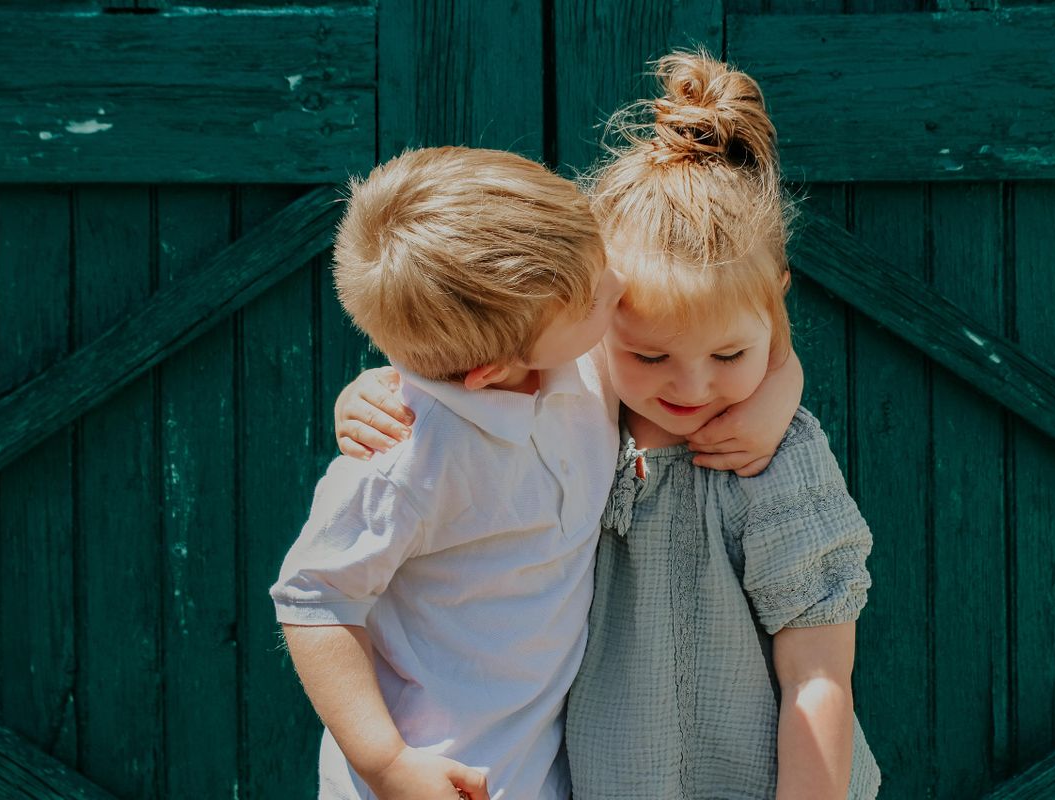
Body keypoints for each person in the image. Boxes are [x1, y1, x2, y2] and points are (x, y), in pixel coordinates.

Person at [333, 52, 881, 799]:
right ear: (593, 314)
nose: (691, 387)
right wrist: (378, 389)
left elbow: (817, 675)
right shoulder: (573, 404)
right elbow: (473, 362)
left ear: (779, 300)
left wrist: (783, 381)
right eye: (649, 355)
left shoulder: (769, 462)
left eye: (728, 354)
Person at [271, 145, 802, 800]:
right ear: (491, 371)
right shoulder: (405, 455)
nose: (616, 285)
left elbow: (733, 323)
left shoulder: (578, 372)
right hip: (434, 776)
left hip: (545, 772)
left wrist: (780, 386)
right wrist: (386, 764)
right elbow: (315, 597)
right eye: (591, 298)